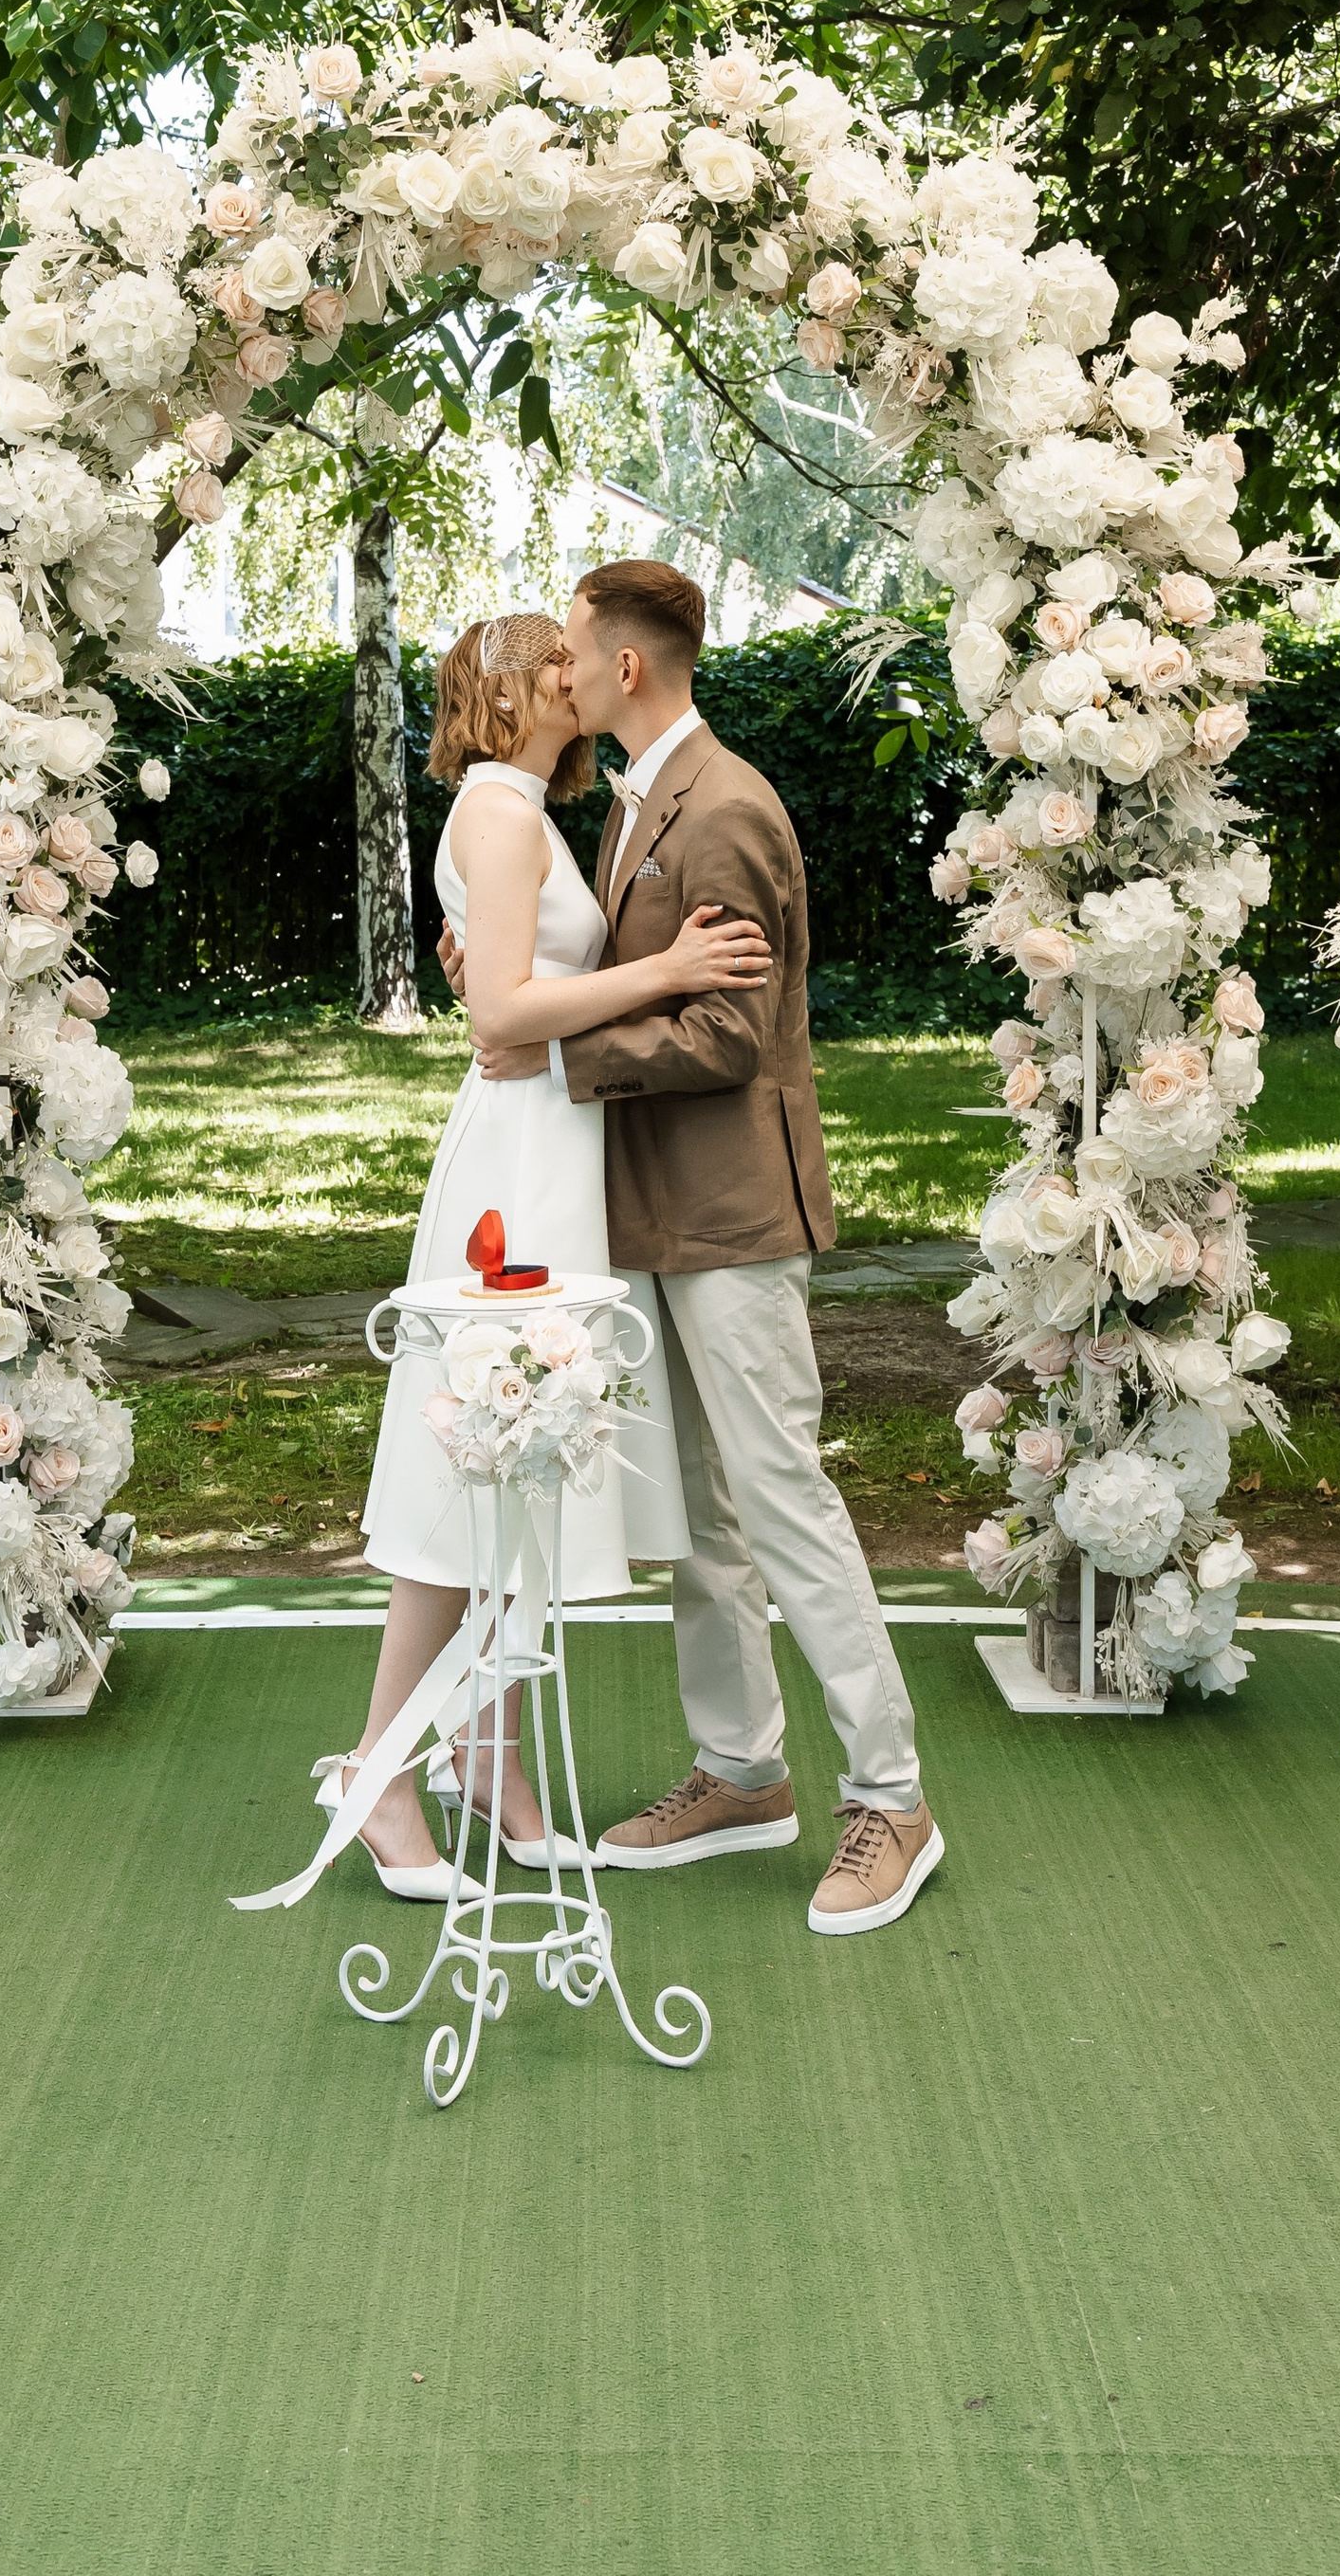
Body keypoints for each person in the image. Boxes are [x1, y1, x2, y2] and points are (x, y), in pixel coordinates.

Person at [468, 559, 944, 1940]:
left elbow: (729, 1034)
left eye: (571, 649)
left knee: (780, 1495)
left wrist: (550, 1052)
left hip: (731, 1214)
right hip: (653, 1211)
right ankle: (742, 1772)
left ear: (626, 669)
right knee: (702, 1516)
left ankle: (894, 1798)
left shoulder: (725, 806)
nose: (559, 668)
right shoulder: (632, 803)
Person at [322, 610, 772, 1899]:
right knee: (478, 1469)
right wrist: (672, 969)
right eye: (559, 660)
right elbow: (510, 1013)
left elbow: (503, 990)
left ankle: (491, 1756)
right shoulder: (503, 815)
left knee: (526, 1469)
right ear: (518, 688)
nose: (583, 672)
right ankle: (380, 1771)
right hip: (521, 1169)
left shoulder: (518, 807)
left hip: (552, 1149)